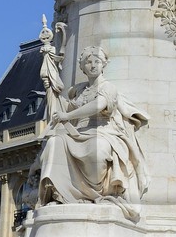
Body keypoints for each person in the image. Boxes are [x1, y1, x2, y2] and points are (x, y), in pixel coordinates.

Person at [37, 46, 150, 218]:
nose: (93, 65)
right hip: (78, 131)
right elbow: (65, 107)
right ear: (82, 67)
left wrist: (68, 116)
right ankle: (61, 194)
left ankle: (98, 193)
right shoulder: (79, 90)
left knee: (98, 148)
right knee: (54, 143)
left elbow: (98, 105)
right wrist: (52, 89)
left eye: (97, 61)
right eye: (88, 62)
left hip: (104, 130)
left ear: (104, 64)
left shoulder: (108, 87)